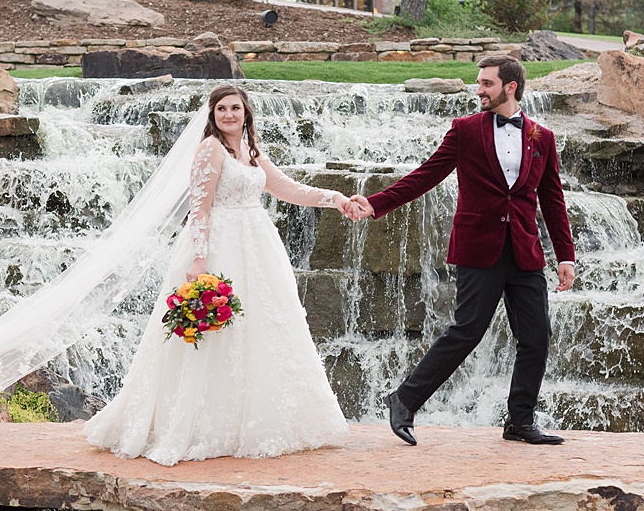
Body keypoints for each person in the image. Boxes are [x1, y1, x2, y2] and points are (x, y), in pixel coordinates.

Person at [83, 85, 353, 465]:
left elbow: (286, 188)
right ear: (212, 114)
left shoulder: (251, 151)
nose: (229, 114)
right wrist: (198, 260)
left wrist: (335, 198)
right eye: (222, 109)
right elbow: (200, 208)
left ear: (247, 114)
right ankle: (198, 425)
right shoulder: (211, 149)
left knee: (260, 331)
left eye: (236, 108)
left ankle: (255, 422)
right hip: (220, 247)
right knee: (216, 335)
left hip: (258, 249)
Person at [344, 55, 576, 446]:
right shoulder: (465, 130)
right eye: (480, 82)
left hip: (524, 250)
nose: (479, 89)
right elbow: (427, 174)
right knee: (467, 331)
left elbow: (552, 199)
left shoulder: (542, 137)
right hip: (478, 247)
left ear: (510, 87)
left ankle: (520, 421)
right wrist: (375, 203)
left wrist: (565, 255)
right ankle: (404, 399)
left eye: (486, 83)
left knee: (536, 338)